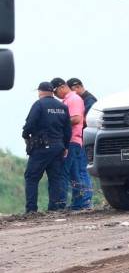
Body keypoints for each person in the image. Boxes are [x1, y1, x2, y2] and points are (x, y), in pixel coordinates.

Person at [22, 81, 71, 213]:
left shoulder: (39, 105)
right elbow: (68, 130)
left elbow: (30, 124)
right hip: (58, 147)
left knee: (31, 177)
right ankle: (53, 208)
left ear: (40, 91)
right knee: (55, 178)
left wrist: (25, 135)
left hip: (42, 147)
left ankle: (31, 209)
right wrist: (65, 146)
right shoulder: (62, 107)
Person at [51, 77, 93, 210]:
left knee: (75, 172)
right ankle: (79, 202)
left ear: (62, 87)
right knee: (75, 173)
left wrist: (58, 122)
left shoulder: (73, 99)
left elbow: (76, 119)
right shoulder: (68, 100)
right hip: (73, 140)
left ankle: (83, 202)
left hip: (73, 140)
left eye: (56, 92)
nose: (56, 96)